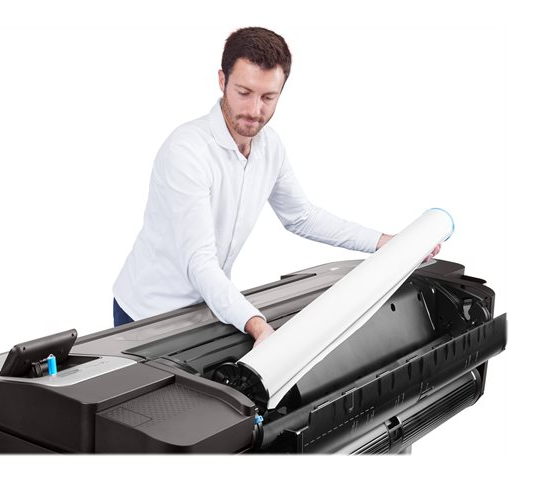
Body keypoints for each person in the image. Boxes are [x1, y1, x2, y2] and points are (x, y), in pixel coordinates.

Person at [112, 27, 438, 346]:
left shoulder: (270, 146)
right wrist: (257, 324)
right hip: (147, 315)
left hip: (206, 308)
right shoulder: (186, 152)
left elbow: (302, 216)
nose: (255, 111)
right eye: (244, 92)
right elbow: (200, 261)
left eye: (268, 97)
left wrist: (385, 243)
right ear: (222, 81)